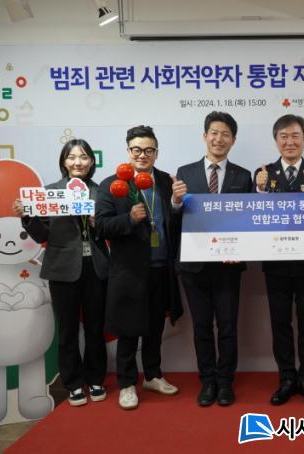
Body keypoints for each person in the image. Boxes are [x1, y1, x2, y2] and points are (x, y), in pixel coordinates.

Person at [13, 139, 108, 407]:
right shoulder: (49, 193)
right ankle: (74, 383)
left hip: (96, 267)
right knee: (67, 329)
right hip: (62, 269)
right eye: (72, 157)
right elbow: (41, 235)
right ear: (64, 162)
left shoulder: (101, 192)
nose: (78, 162)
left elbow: (111, 229)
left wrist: (98, 222)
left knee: (95, 328)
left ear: (92, 162)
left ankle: (96, 378)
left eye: (83, 157)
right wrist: (27, 216)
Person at [96, 125, 183, 411]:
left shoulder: (167, 181)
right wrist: (129, 219)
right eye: (137, 150)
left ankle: (153, 375)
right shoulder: (113, 184)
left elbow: (175, 220)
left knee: (155, 327)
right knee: (129, 330)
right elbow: (102, 226)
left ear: (156, 153)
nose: (142, 155)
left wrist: (177, 202)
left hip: (161, 267)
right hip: (129, 271)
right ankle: (126, 383)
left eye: (148, 150)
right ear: (128, 151)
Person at [172, 112, 252, 407]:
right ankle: (207, 381)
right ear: (205, 136)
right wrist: (175, 201)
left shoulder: (243, 176)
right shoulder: (185, 172)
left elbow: (247, 221)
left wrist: (238, 251)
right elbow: (176, 218)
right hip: (194, 265)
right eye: (214, 133)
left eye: (225, 134)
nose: (219, 139)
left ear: (233, 140)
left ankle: (225, 381)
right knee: (202, 326)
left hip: (228, 266)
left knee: (228, 326)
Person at [254, 114, 304, 407]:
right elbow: (252, 218)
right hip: (276, 264)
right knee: (280, 323)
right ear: (276, 140)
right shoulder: (263, 173)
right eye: (284, 136)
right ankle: (286, 378)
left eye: (295, 135)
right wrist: (259, 191)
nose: (290, 141)